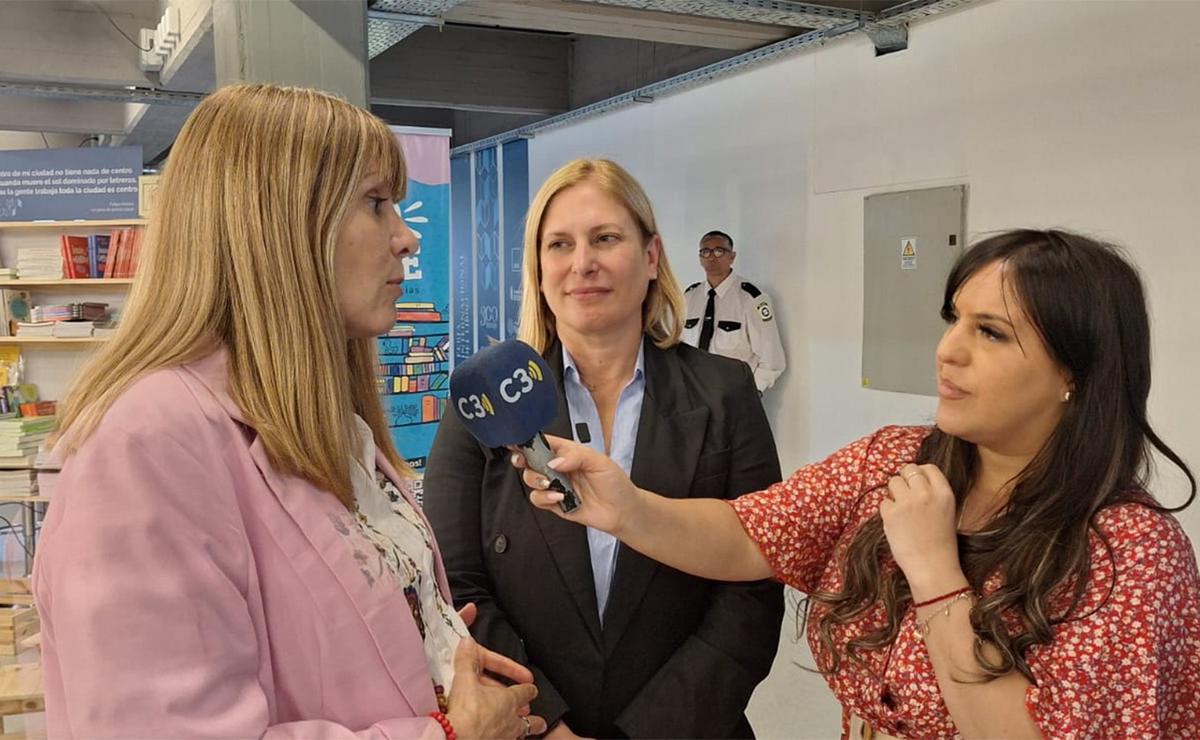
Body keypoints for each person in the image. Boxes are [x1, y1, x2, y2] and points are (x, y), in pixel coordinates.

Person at [520, 229, 1200, 738]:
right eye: (953, 320)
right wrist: (630, 510)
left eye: (990, 333)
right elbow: (748, 534)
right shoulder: (894, 462)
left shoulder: (1129, 551)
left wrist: (935, 572)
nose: (948, 349)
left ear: (1074, 373)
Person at [33, 84, 545, 739]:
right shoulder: (145, 444)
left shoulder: (330, 423)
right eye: (377, 203)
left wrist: (429, 650)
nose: (407, 238)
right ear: (280, 222)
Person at [424, 158, 784, 739]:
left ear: (650, 257)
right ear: (538, 270)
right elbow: (454, 587)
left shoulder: (725, 392)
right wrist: (548, 725)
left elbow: (755, 586)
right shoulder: (482, 405)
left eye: (606, 238)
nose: (582, 263)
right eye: (559, 244)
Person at [682, 230, 786, 393]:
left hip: (733, 395)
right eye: (705, 251)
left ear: (732, 256)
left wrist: (751, 393)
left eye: (719, 251)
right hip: (693, 393)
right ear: (700, 257)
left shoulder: (751, 299)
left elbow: (772, 360)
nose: (711, 257)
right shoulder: (689, 297)